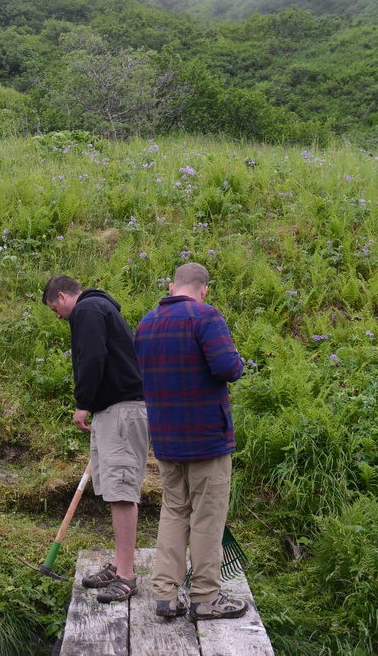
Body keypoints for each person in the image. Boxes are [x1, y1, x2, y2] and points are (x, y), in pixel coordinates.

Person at [134, 263, 248, 621]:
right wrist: (240, 360)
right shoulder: (206, 316)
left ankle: (165, 595)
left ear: (171, 286)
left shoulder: (145, 323)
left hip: (166, 438)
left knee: (173, 511)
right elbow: (229, 368)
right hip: (206, 440)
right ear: (204, 290)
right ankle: (204, 598)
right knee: (207, 517)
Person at [42, 276, 149, 603]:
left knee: (121, 489)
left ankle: (127, 576)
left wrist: (82, 403)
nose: (57, 317)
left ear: (62, 296)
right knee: (113, 488)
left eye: (54, 309)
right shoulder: (99, 307)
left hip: (121, 409)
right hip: (113, 410)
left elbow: (92, 357)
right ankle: (118, 565)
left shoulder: (87, 310)